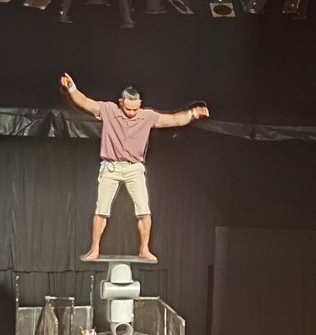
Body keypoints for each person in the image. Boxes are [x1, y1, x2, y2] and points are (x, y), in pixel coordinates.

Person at [58, 73, 209, 264]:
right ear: (121, 102)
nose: (131, 113)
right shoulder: (109, 110)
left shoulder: (147, 116)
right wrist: (71, 88)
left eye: (135, 109)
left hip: (134, 168)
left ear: (140, 104)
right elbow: (85, 102)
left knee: (144, 210)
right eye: (128, 109)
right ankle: (94, 249)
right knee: (101, 209)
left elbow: (173, 119)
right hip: (111, 168)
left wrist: (193, 113)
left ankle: (144, 249)